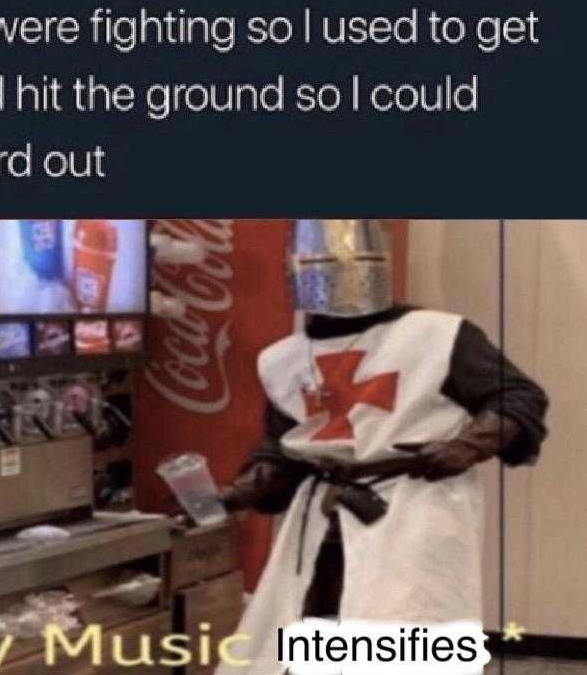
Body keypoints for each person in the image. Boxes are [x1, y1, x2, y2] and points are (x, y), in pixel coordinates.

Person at [215, 220, 548, 675]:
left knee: (407, 639)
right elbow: (284, 447)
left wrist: (467, 446)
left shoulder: (439, 335)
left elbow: (517, 398)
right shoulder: (281, 359)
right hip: (320, 517)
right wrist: (246, 488)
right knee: (309, 632)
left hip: (412, 508)